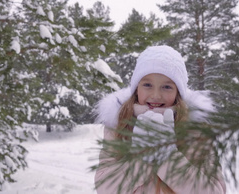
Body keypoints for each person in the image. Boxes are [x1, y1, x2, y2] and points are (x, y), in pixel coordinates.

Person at [94, 45, 226, 194]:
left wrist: (167, 157)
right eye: (147, 85)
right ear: (136, 89)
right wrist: (141, 158)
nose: (156, 95)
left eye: (167, 87)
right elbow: (104, 188)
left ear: (178, 92)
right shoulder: (119, 125)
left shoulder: (195, 130)